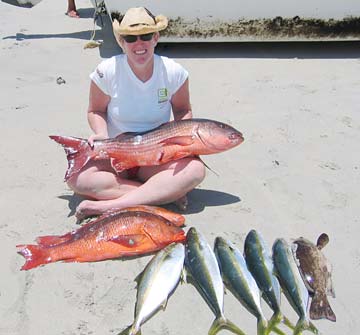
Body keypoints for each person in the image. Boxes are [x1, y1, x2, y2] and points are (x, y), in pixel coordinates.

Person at [67, 7, 206, 219]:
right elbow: (95, 110)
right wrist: (101, 133)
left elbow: (182, 110)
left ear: (156, 38)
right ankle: (162, 194)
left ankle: (107, 206)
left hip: (156, 155)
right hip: (116, 153)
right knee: (77, 178)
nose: (139, 44)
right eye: (130, 38)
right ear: (121, 42)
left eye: (146, 36)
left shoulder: (174, 72)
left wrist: (184, 142)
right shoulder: (107, 71)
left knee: (196, 170)